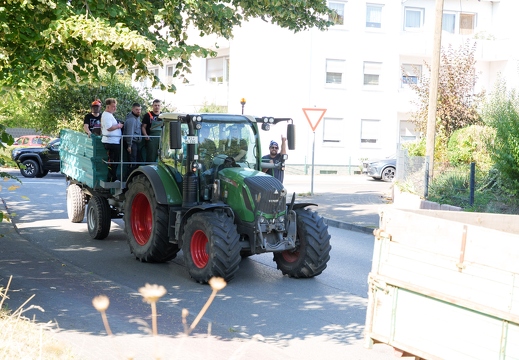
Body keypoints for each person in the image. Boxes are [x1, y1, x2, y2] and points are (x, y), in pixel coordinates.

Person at [101, 98, 123, 182]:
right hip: (110, 142)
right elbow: (109, 128)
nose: (115, 108)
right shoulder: (106, 115)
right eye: (113, 106)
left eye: (115, 106)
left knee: (115, 160)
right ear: (108, 107)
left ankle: (113, 177)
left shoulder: (109, 115)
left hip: (114, 141)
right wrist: (118, 126)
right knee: (113, 161)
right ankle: (112, 178)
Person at [123, 103, 143, 172]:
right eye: (137, 109)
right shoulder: (131, 120)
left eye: (140, 109)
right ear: (132, 109)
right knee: (132, 161)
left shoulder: (137, 117)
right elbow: (129, 133)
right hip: (132, 143)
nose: (138, 111)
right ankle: (130, 178)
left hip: (136, 142)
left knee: (137, 160)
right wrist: (129, 145)